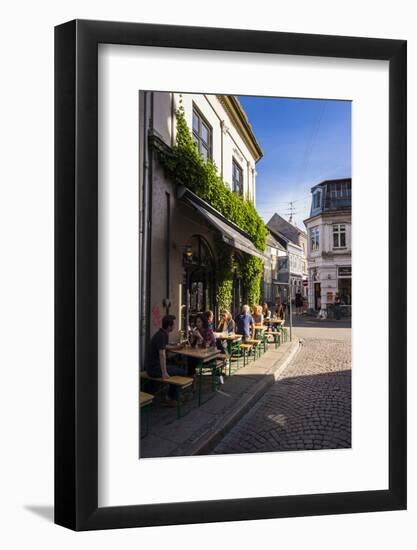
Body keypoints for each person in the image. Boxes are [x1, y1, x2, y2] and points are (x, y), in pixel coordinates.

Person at [144, 315, 186, 405]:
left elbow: (164, 347)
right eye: (173, 325)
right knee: (181, 371)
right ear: (169, 326)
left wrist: (176, 347)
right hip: (154, 369)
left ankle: (174, 395)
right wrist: (164, 372)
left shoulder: (161, 333)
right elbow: (162, 354)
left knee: (176, 369)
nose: (174, 327)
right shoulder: (162, 336)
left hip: (152, 367)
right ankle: (170, 398)